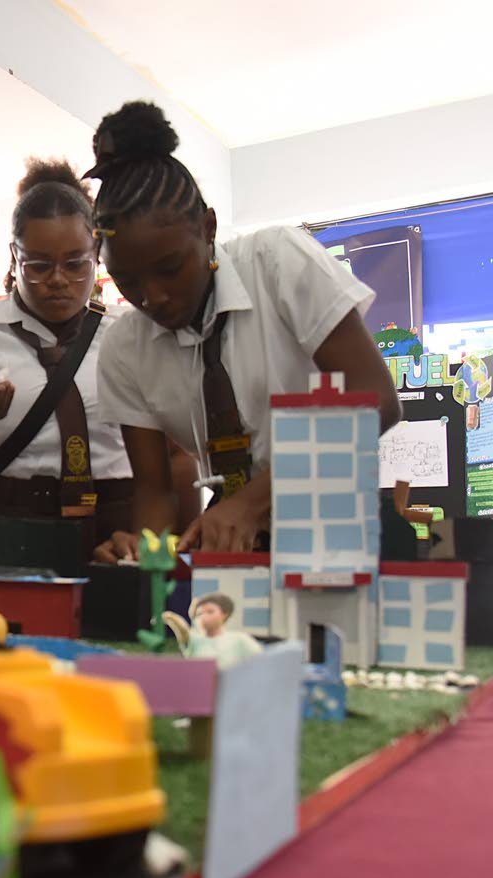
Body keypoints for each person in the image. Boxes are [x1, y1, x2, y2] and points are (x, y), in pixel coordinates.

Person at [87, 102, 400, 561]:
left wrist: (251, 504)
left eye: (170, 269)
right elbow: (155, 490)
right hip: (233, 546)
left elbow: (377, 399)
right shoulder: (123, 348)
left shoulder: (277, 262)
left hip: (340, 529)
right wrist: (142, 551)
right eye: (128, 282)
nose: (152, 297)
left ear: (208, 227)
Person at [0, 159, 137, 553]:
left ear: (97, 252)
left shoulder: (131, 333)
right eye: (38, 264)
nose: (57, 279)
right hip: (11, 529)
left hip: (119, 528)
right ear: (14, 256)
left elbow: (174, 456)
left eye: (75, 264)